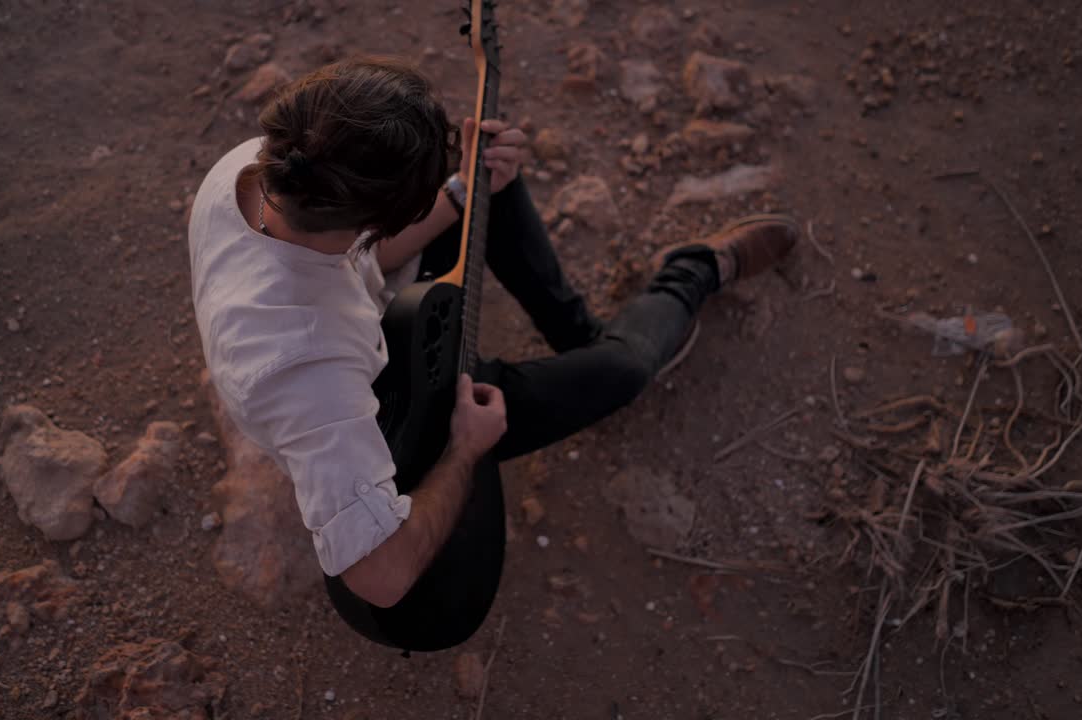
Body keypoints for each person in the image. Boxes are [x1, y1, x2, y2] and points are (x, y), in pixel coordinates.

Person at [188, 56, 798, 633]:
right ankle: (693, 272)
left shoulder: (262, 166)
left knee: (488, 186)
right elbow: (380, 575)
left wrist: (459, 189)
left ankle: (579, 337)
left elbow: (364, 255)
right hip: (399, 410)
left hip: (364, 325)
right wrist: (464, 450)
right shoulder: (309, 372)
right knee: (624, 370)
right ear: (374, 222)